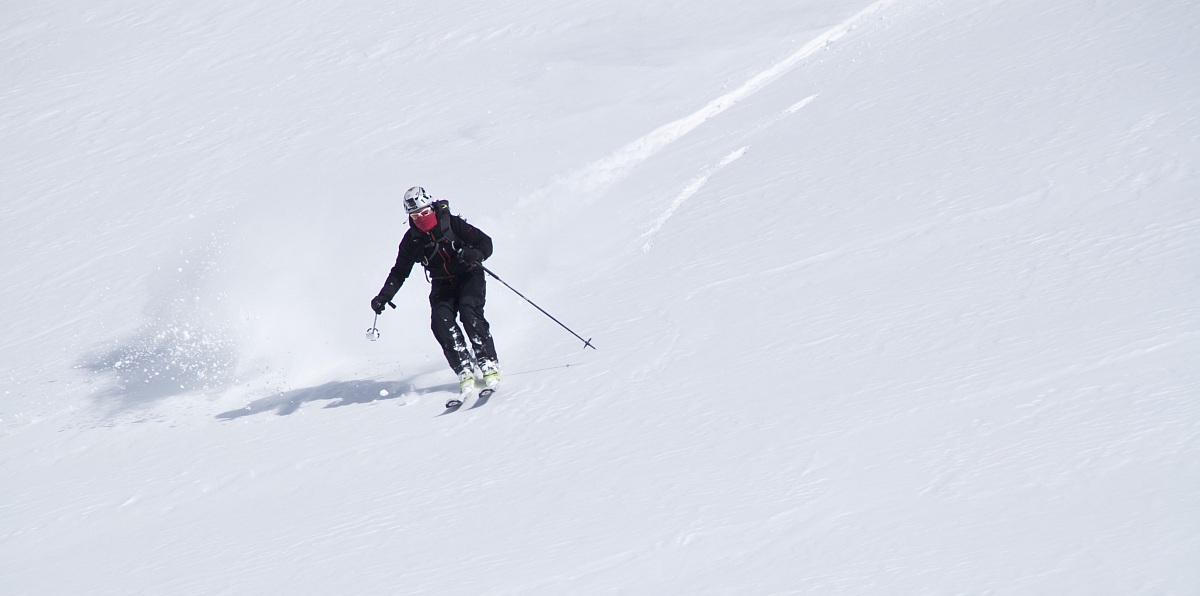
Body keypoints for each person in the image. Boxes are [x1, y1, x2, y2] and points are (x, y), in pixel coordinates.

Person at [371, 186, 501, 397]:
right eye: (415, 215)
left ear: (431, 207)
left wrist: (474, 253)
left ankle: (487, 361)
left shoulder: (451, 223)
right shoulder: (412, 240)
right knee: (440, 320)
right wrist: (384, 296)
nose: (421, 218)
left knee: (469, 311)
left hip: (469, 275)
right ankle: (464, 368)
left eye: (424, 212)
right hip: (442, 284)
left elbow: (486, 243)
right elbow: (399, 271)